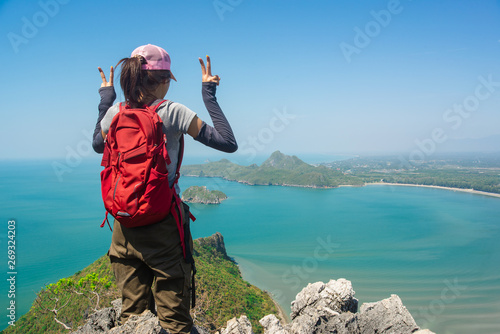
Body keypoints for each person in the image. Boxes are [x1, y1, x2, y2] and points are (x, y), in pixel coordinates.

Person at [92, 44, 237, 334]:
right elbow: (227, 142)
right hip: (162, 226)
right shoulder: (172, 112)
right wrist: (209, 93)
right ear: (163, 80)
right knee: (175, 321)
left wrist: (105, 100)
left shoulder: (114, 114)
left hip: (123, 228)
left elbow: (98, 145)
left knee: (132, 317)